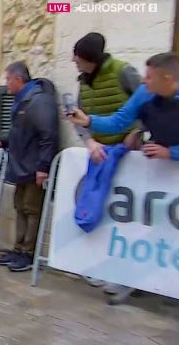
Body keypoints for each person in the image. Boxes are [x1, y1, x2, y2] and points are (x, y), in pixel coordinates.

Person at [71, 32, 142, 295]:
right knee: (102, 209)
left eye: (77, 58)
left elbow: (148, 103)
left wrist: (139, 132)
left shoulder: (124, 72)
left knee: (127, 216)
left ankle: (127, 276)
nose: (73, 61)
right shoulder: (83, 82)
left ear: (90, 59)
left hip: (129, 155)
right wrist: (90, 143)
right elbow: (78, 118)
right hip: (99, 155)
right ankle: (99, 266)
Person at [0, 62, 59, 272]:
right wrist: (3, 141)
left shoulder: (38, 101)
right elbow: (19, 132)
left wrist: (43, 166)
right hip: (21, 166)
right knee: (20, 208)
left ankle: (28, 254)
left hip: (33, 167)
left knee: (31, 210)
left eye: (8, 79)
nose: (6, 84)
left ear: (18, 79)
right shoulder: (23, 101)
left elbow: (48, 135)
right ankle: (18, 249)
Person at [69, 52, 179, 161]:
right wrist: (88, 120)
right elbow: (118, 122)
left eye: (149, 77)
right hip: (163, 164)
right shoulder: (144, 93)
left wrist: (171, 152)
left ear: (166, 79)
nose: (142, 81)